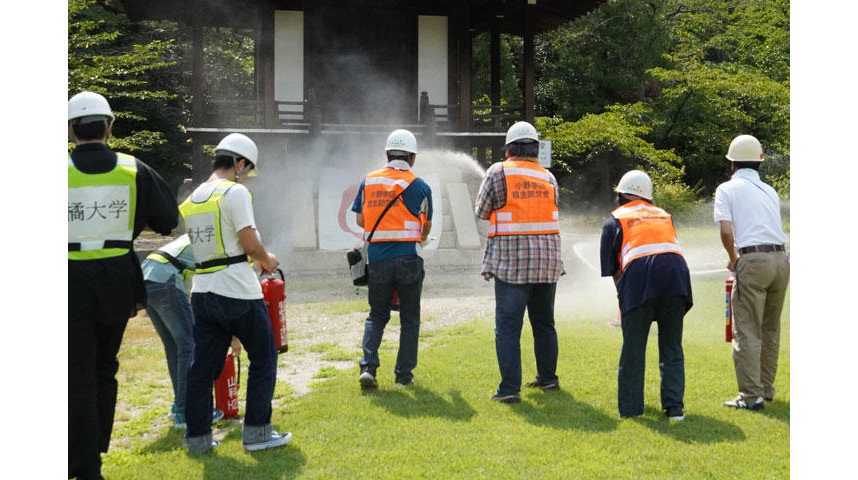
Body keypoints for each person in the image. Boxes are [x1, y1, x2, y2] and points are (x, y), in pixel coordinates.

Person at [68, 91, 179, 479]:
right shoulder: (134, 169)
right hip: (117, 278)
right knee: (104, 367)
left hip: (68, 280)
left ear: (71, 130)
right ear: (110, 127)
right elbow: (167, 219)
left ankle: (80, 463)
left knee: (73, 371)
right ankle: (94, 451)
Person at [180, 133, 291, 453]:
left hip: (202, 291)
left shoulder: (193, 196)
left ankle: (198, 438)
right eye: (247, 168)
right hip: (238, 291)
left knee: (202, 368)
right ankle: (257, 433)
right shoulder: (235, 192)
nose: (246, 175)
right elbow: (249, 242)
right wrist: (268, 260)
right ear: (239, 163)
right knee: (264, 357)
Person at [475, 121, 563, 404]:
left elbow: (481, 210)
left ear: (509, 149)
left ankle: (509, 389)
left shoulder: (498, 172)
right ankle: (548, 379)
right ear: (535, 149)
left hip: (512, 264)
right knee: (544, 324)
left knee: (508, 328)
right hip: (547, 262)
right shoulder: (548, 177)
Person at [599, 170, 693, 420]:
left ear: (622, 195)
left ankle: (631, 410)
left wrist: (625, 305)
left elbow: (615, 272)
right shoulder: (664, 215)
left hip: (639, 279)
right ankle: (675, 409)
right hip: (677, 279)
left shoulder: (614, 220)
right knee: (672, 345)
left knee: (634, 347)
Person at [351, 129, 433, 389]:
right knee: (410, 319)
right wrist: (419, 236)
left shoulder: (369, 180)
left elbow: (360, 220)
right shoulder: (420, 185)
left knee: (377, 315)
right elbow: (426, 225)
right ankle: (403, 375)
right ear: (412, 157)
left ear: (387, 153)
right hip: (409, 258)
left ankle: (368, 368)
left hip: (377, 260)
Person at [714, 134, 789, 411]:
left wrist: (733, 259)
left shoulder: (726, 189)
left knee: (746, 329)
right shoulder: (769, 190)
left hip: (753, 260)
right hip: (781, 259)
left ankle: (750, 396)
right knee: (770, 329)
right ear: (759, 162)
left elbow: (725, 230)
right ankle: (766, 389)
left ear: (732, 163)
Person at [141, 234, 232, 428]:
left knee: (175, 346)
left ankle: (179, 407)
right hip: (165, 279)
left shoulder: (199, 231)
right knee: (189, 346)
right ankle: (188, 412)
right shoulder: (219, 242)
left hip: (147, 278)